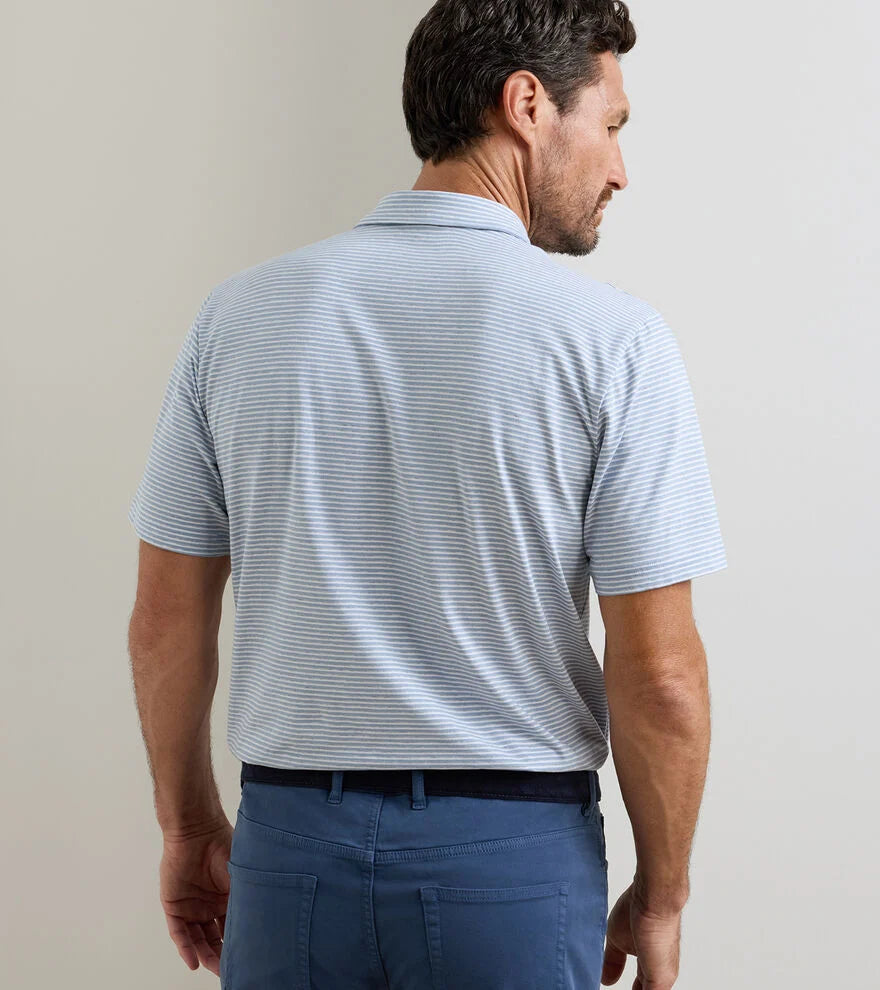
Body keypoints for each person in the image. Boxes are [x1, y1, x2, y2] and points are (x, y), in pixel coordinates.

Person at [126, 2, 727, 988]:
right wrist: (661, 896)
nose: (620, 169)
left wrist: (189, 827)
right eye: (611, 125)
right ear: (526, 105)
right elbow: (660, 675)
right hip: (509, 861)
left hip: (288, 855)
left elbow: (165, 621)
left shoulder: (239, 320)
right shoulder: (612, 342)